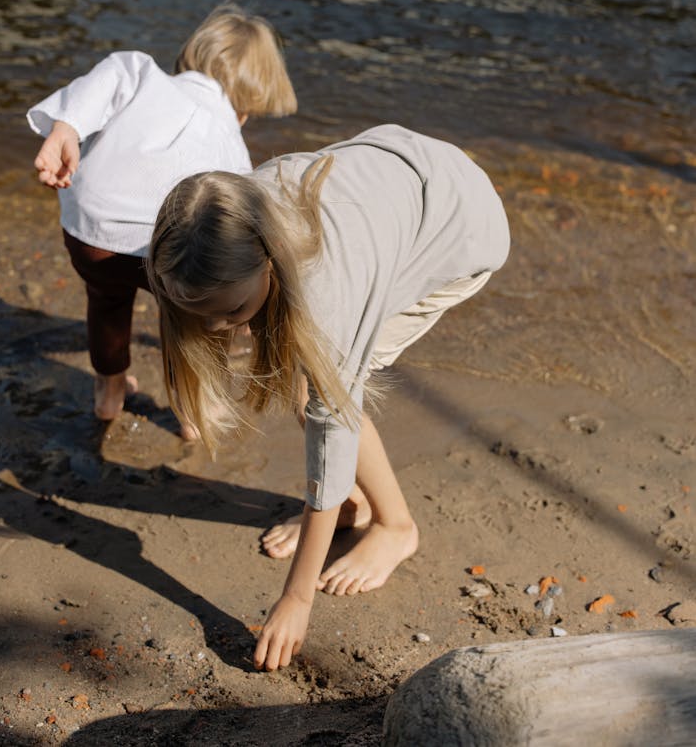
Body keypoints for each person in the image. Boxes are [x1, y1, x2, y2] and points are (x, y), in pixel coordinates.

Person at [146, 124, 510, 670]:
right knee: (305, 383)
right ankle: (346, 505)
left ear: (270, 263)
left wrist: (297, 597)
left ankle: (395, 526)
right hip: (398, 177)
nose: (220, 329)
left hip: (456, 227)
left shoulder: (326, 293)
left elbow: (331, 421)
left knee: (319, 392)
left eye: (235, 312)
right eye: (203, 312)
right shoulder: (208, 230)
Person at [26, 4, 297, 425]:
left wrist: (66, 129)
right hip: (165, 244)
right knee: (195, 323)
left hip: (89, 228)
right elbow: (236, 214)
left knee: (107, 301)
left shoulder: (144, 75)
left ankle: (109, 392)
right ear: (249, 99)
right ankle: (195, 410)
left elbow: (110, 75)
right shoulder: (227, 135)